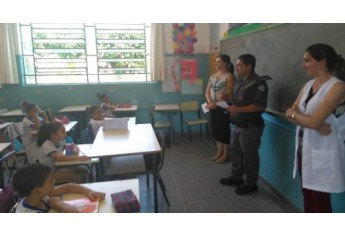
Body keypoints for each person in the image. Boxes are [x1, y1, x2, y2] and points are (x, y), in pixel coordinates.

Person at [285, 43, 345, 213]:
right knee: (307, 194)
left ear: (323, 61)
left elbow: (306, 118)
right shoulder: (308, 85)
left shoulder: (337, 87)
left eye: (307, 61)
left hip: (324, 151)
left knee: (320, 200)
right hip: (303, 151)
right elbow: (289, 113)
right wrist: (308, 120)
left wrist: (301, 117)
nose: (303, 65)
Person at [220, 54, 268, 195]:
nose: (236, 68)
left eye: (240, 65)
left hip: (250, 126)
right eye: (236, 65)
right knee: (235, 151)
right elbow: (237, 98)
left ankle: (251, 183)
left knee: (249, 156)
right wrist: (227, 97)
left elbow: (259, 106)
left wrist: (237, 109)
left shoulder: (258, 84)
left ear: (249, 67)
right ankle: (236, 177)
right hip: (237, 123)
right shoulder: (240, 80)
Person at [12, 163, 105, 213]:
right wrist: (57, 203)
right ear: (38, 190)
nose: (54, 182)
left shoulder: (37, 196)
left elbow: (68, 187)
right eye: (50, 181)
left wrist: (90, 192)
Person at [205, 54, 235, 163]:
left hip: (223, 108)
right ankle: (219, 152)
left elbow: (230, 95)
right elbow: (207, 91)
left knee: (224, 130)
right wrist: (210, 102)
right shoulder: (213, 76)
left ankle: (226, 154)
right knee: (216, 129)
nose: (216, 63)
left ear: (226, 63)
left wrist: (217, 103)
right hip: (212, 106)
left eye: (219, 62)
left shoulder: (229, 76)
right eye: (216, 61)